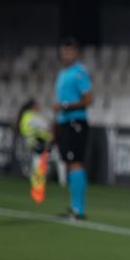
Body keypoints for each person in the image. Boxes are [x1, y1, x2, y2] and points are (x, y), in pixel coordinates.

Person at [54, 38, 93, 219]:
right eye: (63, 51)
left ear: (76, 52)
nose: (66, 55)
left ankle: (79, 209)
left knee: (75, 162)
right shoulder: (62, 73)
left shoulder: (79, 72)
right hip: (64, 122)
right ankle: (74, 206)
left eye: (69, 51)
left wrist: (65, 106)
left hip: (76, 122)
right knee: (69, 164)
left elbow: (88, 99)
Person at [17, 99, 53, 203]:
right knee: (39, 167)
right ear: (33, 106)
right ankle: (38, 191)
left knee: (37, 166)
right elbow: (45, 126)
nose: (39, 107)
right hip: (38, 142)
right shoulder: (33, 116)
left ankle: (37, 189)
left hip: (32, 142)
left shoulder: (25, 116)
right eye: (37, 105)